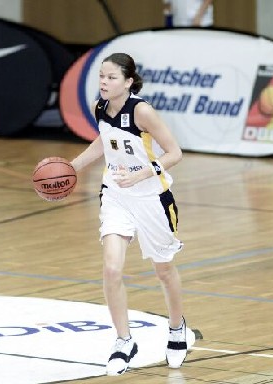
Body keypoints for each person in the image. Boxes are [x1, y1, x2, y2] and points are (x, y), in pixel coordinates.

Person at [70, 52, 195, 376]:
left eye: (111, 78)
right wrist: (73, 166)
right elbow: (104, 141)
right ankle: (124, 340)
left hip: (152, 197)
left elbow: (175, 153)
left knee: (164, 271)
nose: (104, 83)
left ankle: (177, 327)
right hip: (116, 195)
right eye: (101, 76)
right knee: (112, 269)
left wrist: (141, 174)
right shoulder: (100, 107)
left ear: (128, 81)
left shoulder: (142, 111)